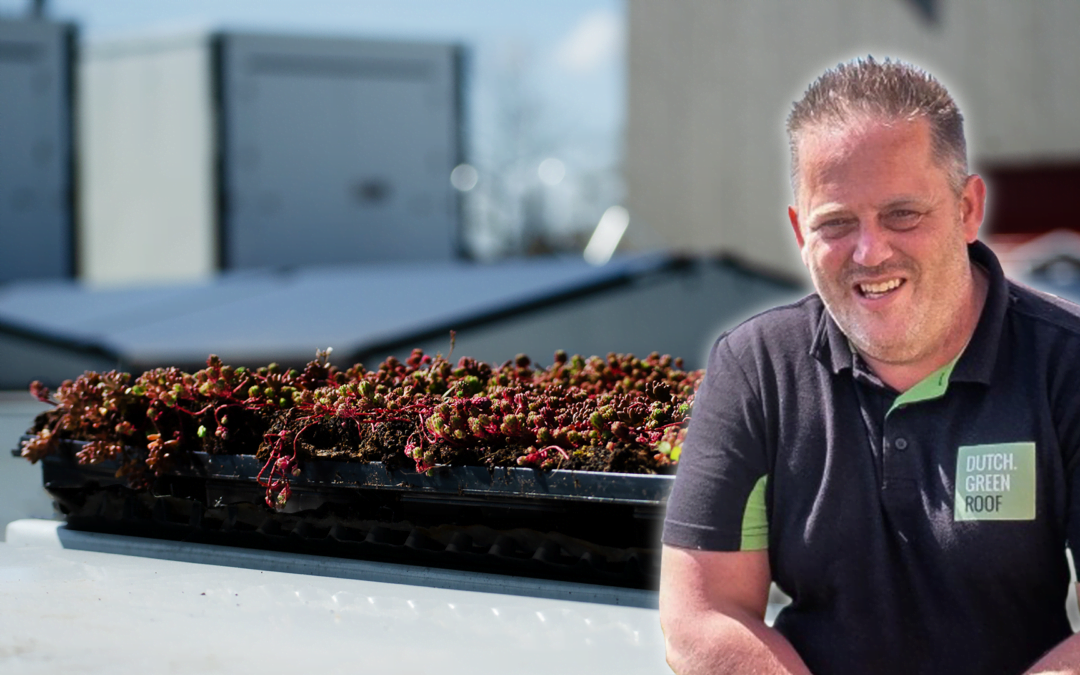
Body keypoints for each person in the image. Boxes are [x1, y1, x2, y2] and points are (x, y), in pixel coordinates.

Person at [659, 56, 1080, 675]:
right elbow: (704, 614)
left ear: (967, 209)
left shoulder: (1065, 362)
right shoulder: (757, 368)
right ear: (801, 232)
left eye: (902, 214)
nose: (870, 250)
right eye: (835, 223)